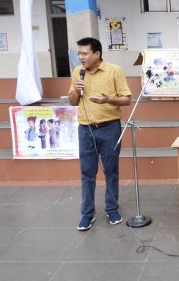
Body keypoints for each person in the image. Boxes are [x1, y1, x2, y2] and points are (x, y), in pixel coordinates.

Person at [67, 37, 131, 231]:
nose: (81, 57)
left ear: (97, 54)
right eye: (79, 53)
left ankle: (112, 209)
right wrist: (76, 92)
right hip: (85, 130)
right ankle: (87, 214)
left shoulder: (114, 71)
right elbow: (72, 102)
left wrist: (107, 100)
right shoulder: (78, 72)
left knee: (111, 171)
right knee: (87, 173)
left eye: (84, 53)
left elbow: (126, 99)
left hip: (109, 128)